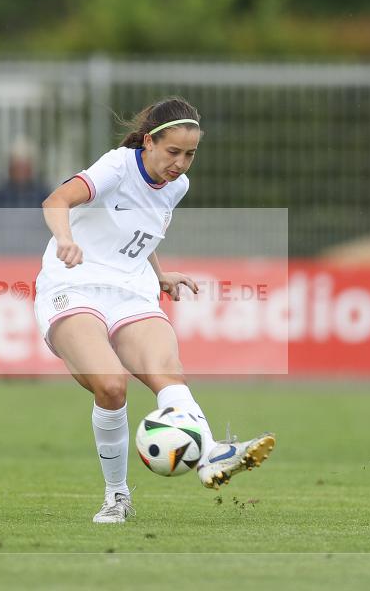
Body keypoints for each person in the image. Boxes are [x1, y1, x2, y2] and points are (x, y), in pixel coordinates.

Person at [34, 97, 275, 524]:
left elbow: (141, 236)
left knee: (168, 373)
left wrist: (160, 274)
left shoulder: (176, 186)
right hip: (75, 283)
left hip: (131, 288)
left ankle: (210, 455)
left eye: (190, 155)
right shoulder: (118, 166)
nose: (181, 164)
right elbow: (56, 201)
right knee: (111, 387)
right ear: (149, 141)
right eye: (173, 152)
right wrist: (66, 239)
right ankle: (116, 496)